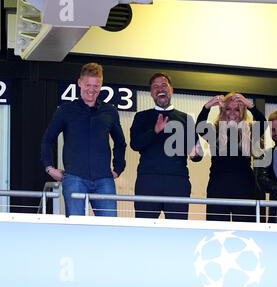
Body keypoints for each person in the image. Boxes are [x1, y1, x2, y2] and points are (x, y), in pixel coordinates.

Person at [41, 62, 126, 217]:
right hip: (74, 179)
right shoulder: (65, 110)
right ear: (80, 83)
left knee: (110, 228)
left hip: (104, 180)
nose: (92, 90)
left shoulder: (110, 111)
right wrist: (49, 168)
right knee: (76, 228)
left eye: (96, 86)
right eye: (88, 85)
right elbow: (48, 139)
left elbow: (120, 142)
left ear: (101, 85)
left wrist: (118, 168)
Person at [130, 72, 201, 220]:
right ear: (151, 93)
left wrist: (195, 153)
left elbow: (197, 154)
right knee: (144, 230)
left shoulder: (185, 119)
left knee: (177, 232)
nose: (160, 89)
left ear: (171, 90)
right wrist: (155, 130)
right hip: (148, 181)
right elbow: (135, 144)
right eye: (155, 86)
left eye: (164, 85)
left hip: (177, 182)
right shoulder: (141, 117)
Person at [195, 92, 266, 222]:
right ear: (222, 111)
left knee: (245, 232)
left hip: (244, 188)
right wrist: (209, 105)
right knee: (217, 231)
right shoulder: (215, 131)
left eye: (237, 110)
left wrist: (249, 104)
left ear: (242, 112)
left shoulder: (248, 131)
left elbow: (263, 123)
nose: (232, 113)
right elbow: (199, 126)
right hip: (218, 188)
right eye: (228, 109)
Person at [255, 110, 277, 223]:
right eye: (273, 130)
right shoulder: (266, 154)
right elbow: (262, 180)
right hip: (276, 211)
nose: (276, 133)